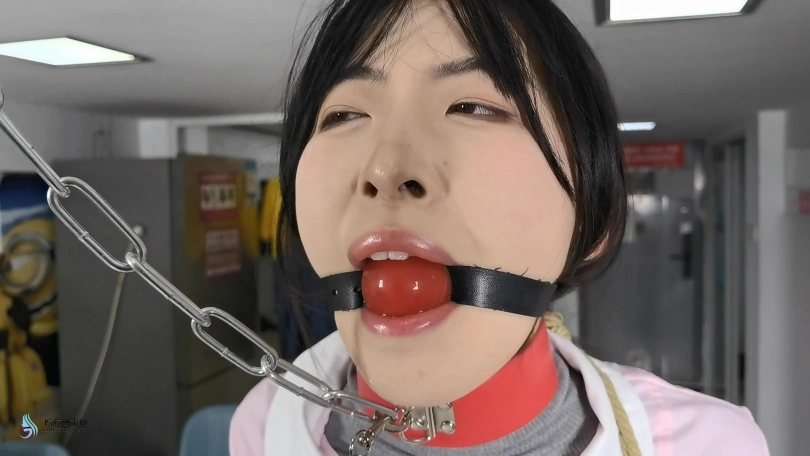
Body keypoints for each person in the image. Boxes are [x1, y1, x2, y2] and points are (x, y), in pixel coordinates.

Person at [230, 1, 770, 455]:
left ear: (593, 217)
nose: (385, 169)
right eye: (343, 115)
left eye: (471, 106)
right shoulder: (265, 423)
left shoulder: (713, 444)